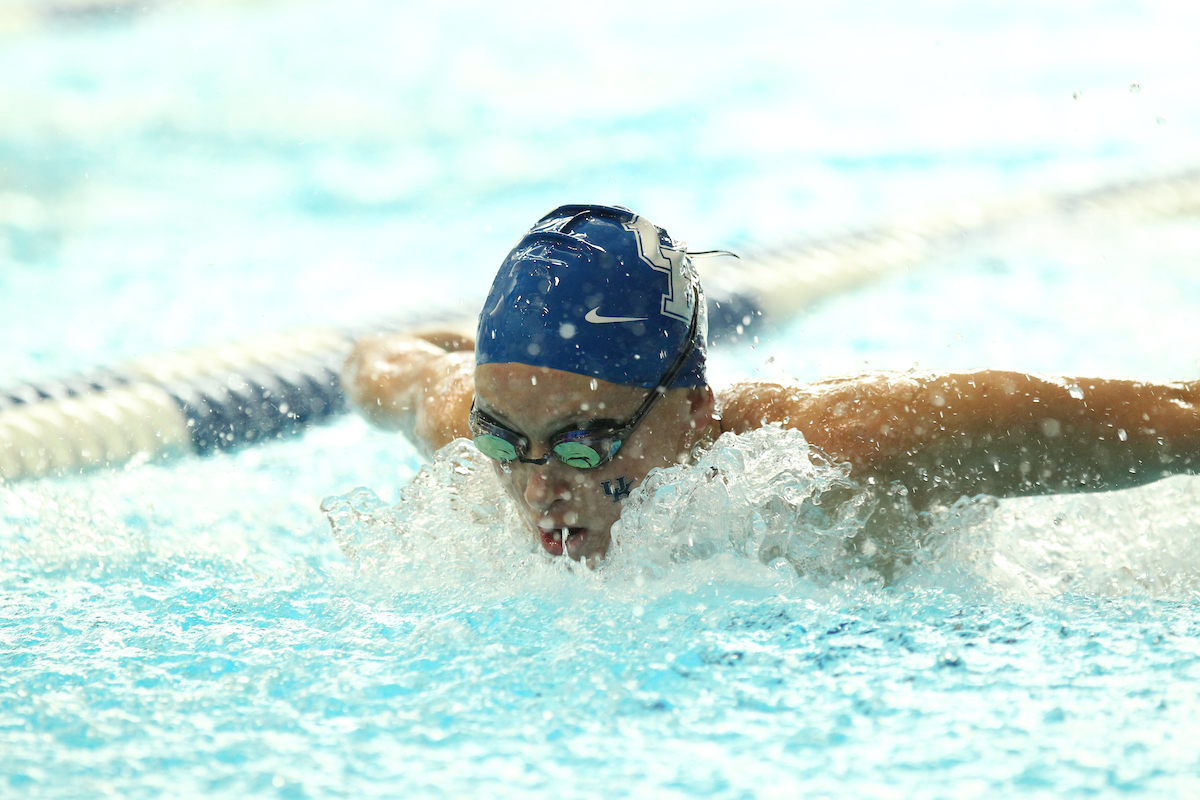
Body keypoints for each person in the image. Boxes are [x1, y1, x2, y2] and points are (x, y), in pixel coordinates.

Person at [343, 204, 1200, 568]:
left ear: (694, 409)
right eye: (505, 440)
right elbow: (378, 360)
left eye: (583, 443)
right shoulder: (465, 421)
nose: (539, 490)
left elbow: (1180, 417)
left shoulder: (839, 448)